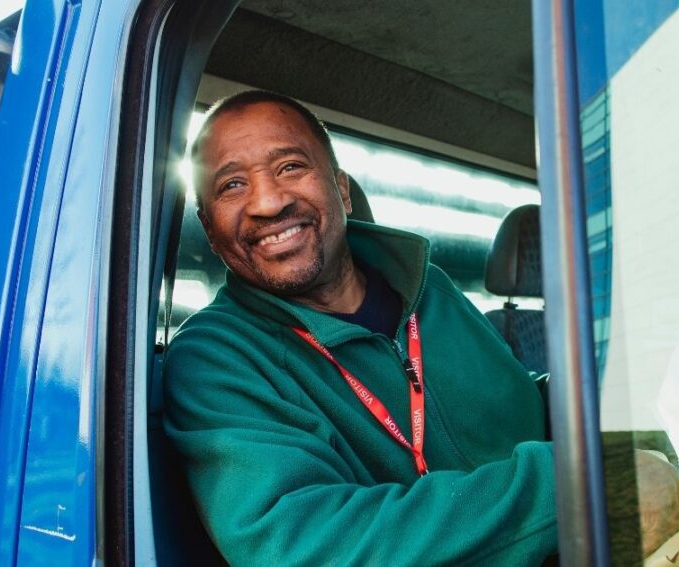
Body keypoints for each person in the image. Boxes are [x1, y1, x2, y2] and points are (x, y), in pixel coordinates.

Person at [164, 90, 558, 565]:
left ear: (342, 190)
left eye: (290, 166)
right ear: (211, 231)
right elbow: (303, 544)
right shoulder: (215, 356)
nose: (267, 202)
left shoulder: (427, 288)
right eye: (232, 186)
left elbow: (508, 410)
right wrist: (573, 483)